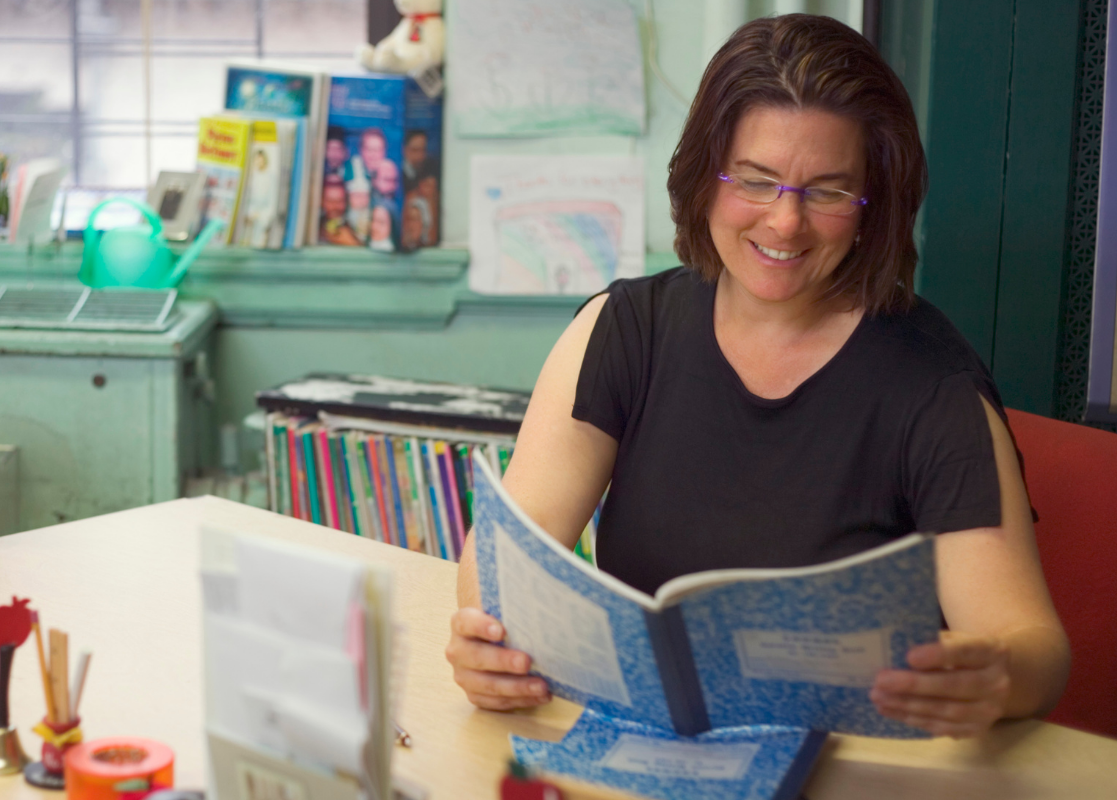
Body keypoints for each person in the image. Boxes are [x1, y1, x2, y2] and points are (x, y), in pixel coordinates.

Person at [445, 14, 1070, 740]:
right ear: (705, 178)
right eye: (755, 180)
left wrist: (992, 675)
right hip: (649, 746)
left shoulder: (935, 389)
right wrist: (486, 646)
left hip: (852, 767)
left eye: (829, 192)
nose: (784, 223)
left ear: (875, 205)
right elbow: (504, 572)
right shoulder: (621, 330)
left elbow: (1035, 651)